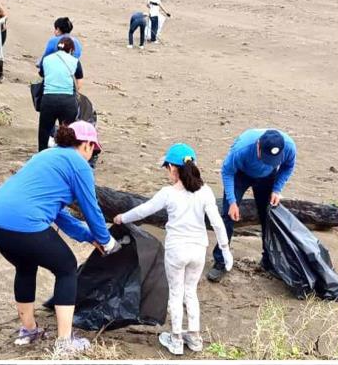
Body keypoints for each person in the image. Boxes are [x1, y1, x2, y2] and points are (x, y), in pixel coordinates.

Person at [0, 122, 118, 357]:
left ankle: (29, 330)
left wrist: (88, 236)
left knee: (25, 265)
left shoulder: (46, 155)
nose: (92, 154)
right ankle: (64, 342)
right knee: (66, 267)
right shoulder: (79, 165)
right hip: (24, 221)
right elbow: (91, 209)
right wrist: (106, 241)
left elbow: (58, 214)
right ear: (86, 144)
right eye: (93, 149)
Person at [113, 143, 233, 356]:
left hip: (177, 250)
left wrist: (122, 217)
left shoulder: (168, 193)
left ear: (172, 168)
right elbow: (217, 223)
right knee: (191, 292)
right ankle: (194, 337)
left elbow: (144, 210)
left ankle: (176, 338)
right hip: (198, 250)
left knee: (176, 293)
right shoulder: (204, 192)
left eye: (167, 168)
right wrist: (225, 249)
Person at [207, 128, 296, 283]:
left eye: (273, 160)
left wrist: (277, 189)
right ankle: (221, 261)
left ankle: (268, 260)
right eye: (266, 158)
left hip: (268, 177)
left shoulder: (288, 146)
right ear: (258, 147)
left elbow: (288, 166)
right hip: (240, 175)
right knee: (228, 215)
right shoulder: (242, 149)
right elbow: (227, 172)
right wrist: (233, 201)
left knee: (268, 216)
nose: (269, 161)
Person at [36, 36, 84, 152]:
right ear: (71, 50)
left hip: (48, 99)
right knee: (68, 132)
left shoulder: (47, 59)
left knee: (44, 130)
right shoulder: (75, 61)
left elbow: (42, 74)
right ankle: (66, 155)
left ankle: (42, 154)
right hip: (67, 101)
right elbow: (79, 83)